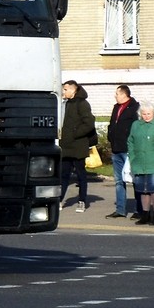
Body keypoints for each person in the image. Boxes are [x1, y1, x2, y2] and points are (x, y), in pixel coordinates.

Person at [59, 80, 95, 212]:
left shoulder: (82, 104)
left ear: (73, 90)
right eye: (63, 89)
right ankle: (60, 199)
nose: (64, 92)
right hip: (66, 145)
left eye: (66, 89)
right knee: (64, 175)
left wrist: (75, 133)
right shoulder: (65, 103)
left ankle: (82, 201)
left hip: (78, 145)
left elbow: (89, 123)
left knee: (81, 175)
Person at [105, 85, 141, 219]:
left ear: (124, 94)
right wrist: (110, 136)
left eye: (117, 94)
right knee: (119, 181)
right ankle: (120, 210)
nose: (115, 96)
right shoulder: (116, 107)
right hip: (116, 148)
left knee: (135, 180)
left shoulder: (134, 108)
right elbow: (112, 124)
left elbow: (136, 127)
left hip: (128, 150)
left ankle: (139, 209)